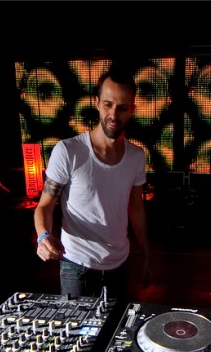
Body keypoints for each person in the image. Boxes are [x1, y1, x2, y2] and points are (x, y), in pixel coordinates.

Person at [34, 67, 150, 306]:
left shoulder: (136, 156)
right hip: (76, 264)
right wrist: (43, 236)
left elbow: (137, 208)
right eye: (108, 104)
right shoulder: (68, 151)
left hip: (119, 263)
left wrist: (146, 254)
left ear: (132, 110)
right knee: (77, 327)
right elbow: (45, 206)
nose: (113, 114)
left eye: (122, 107)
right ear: (97, 103)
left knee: (115, 327)